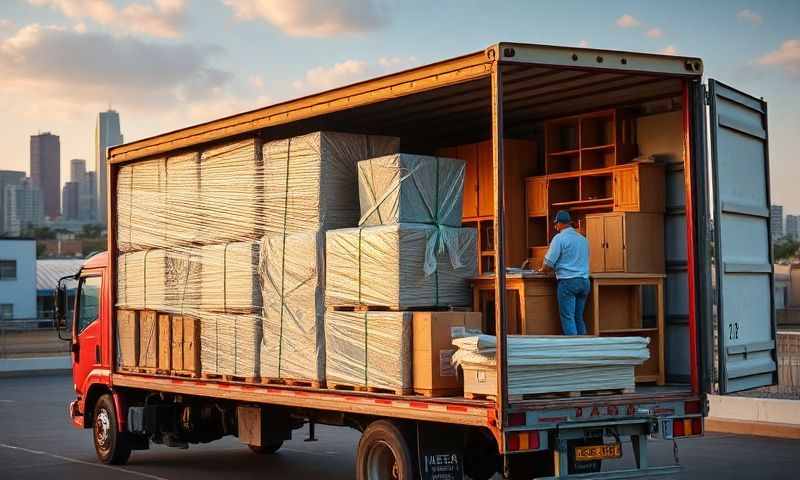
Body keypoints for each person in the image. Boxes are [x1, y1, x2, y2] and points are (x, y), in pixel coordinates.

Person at [539, 210, 590, 335]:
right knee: (579, 318)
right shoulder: (583, 239)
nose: (555, 226)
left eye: (556, 224)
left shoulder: (559, 239)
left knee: (568, 318)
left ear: (560, 223)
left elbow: (548, 263)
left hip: (568, 282)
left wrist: (543, 269)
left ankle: (573, 350)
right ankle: (585, 348)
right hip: (584, 282)